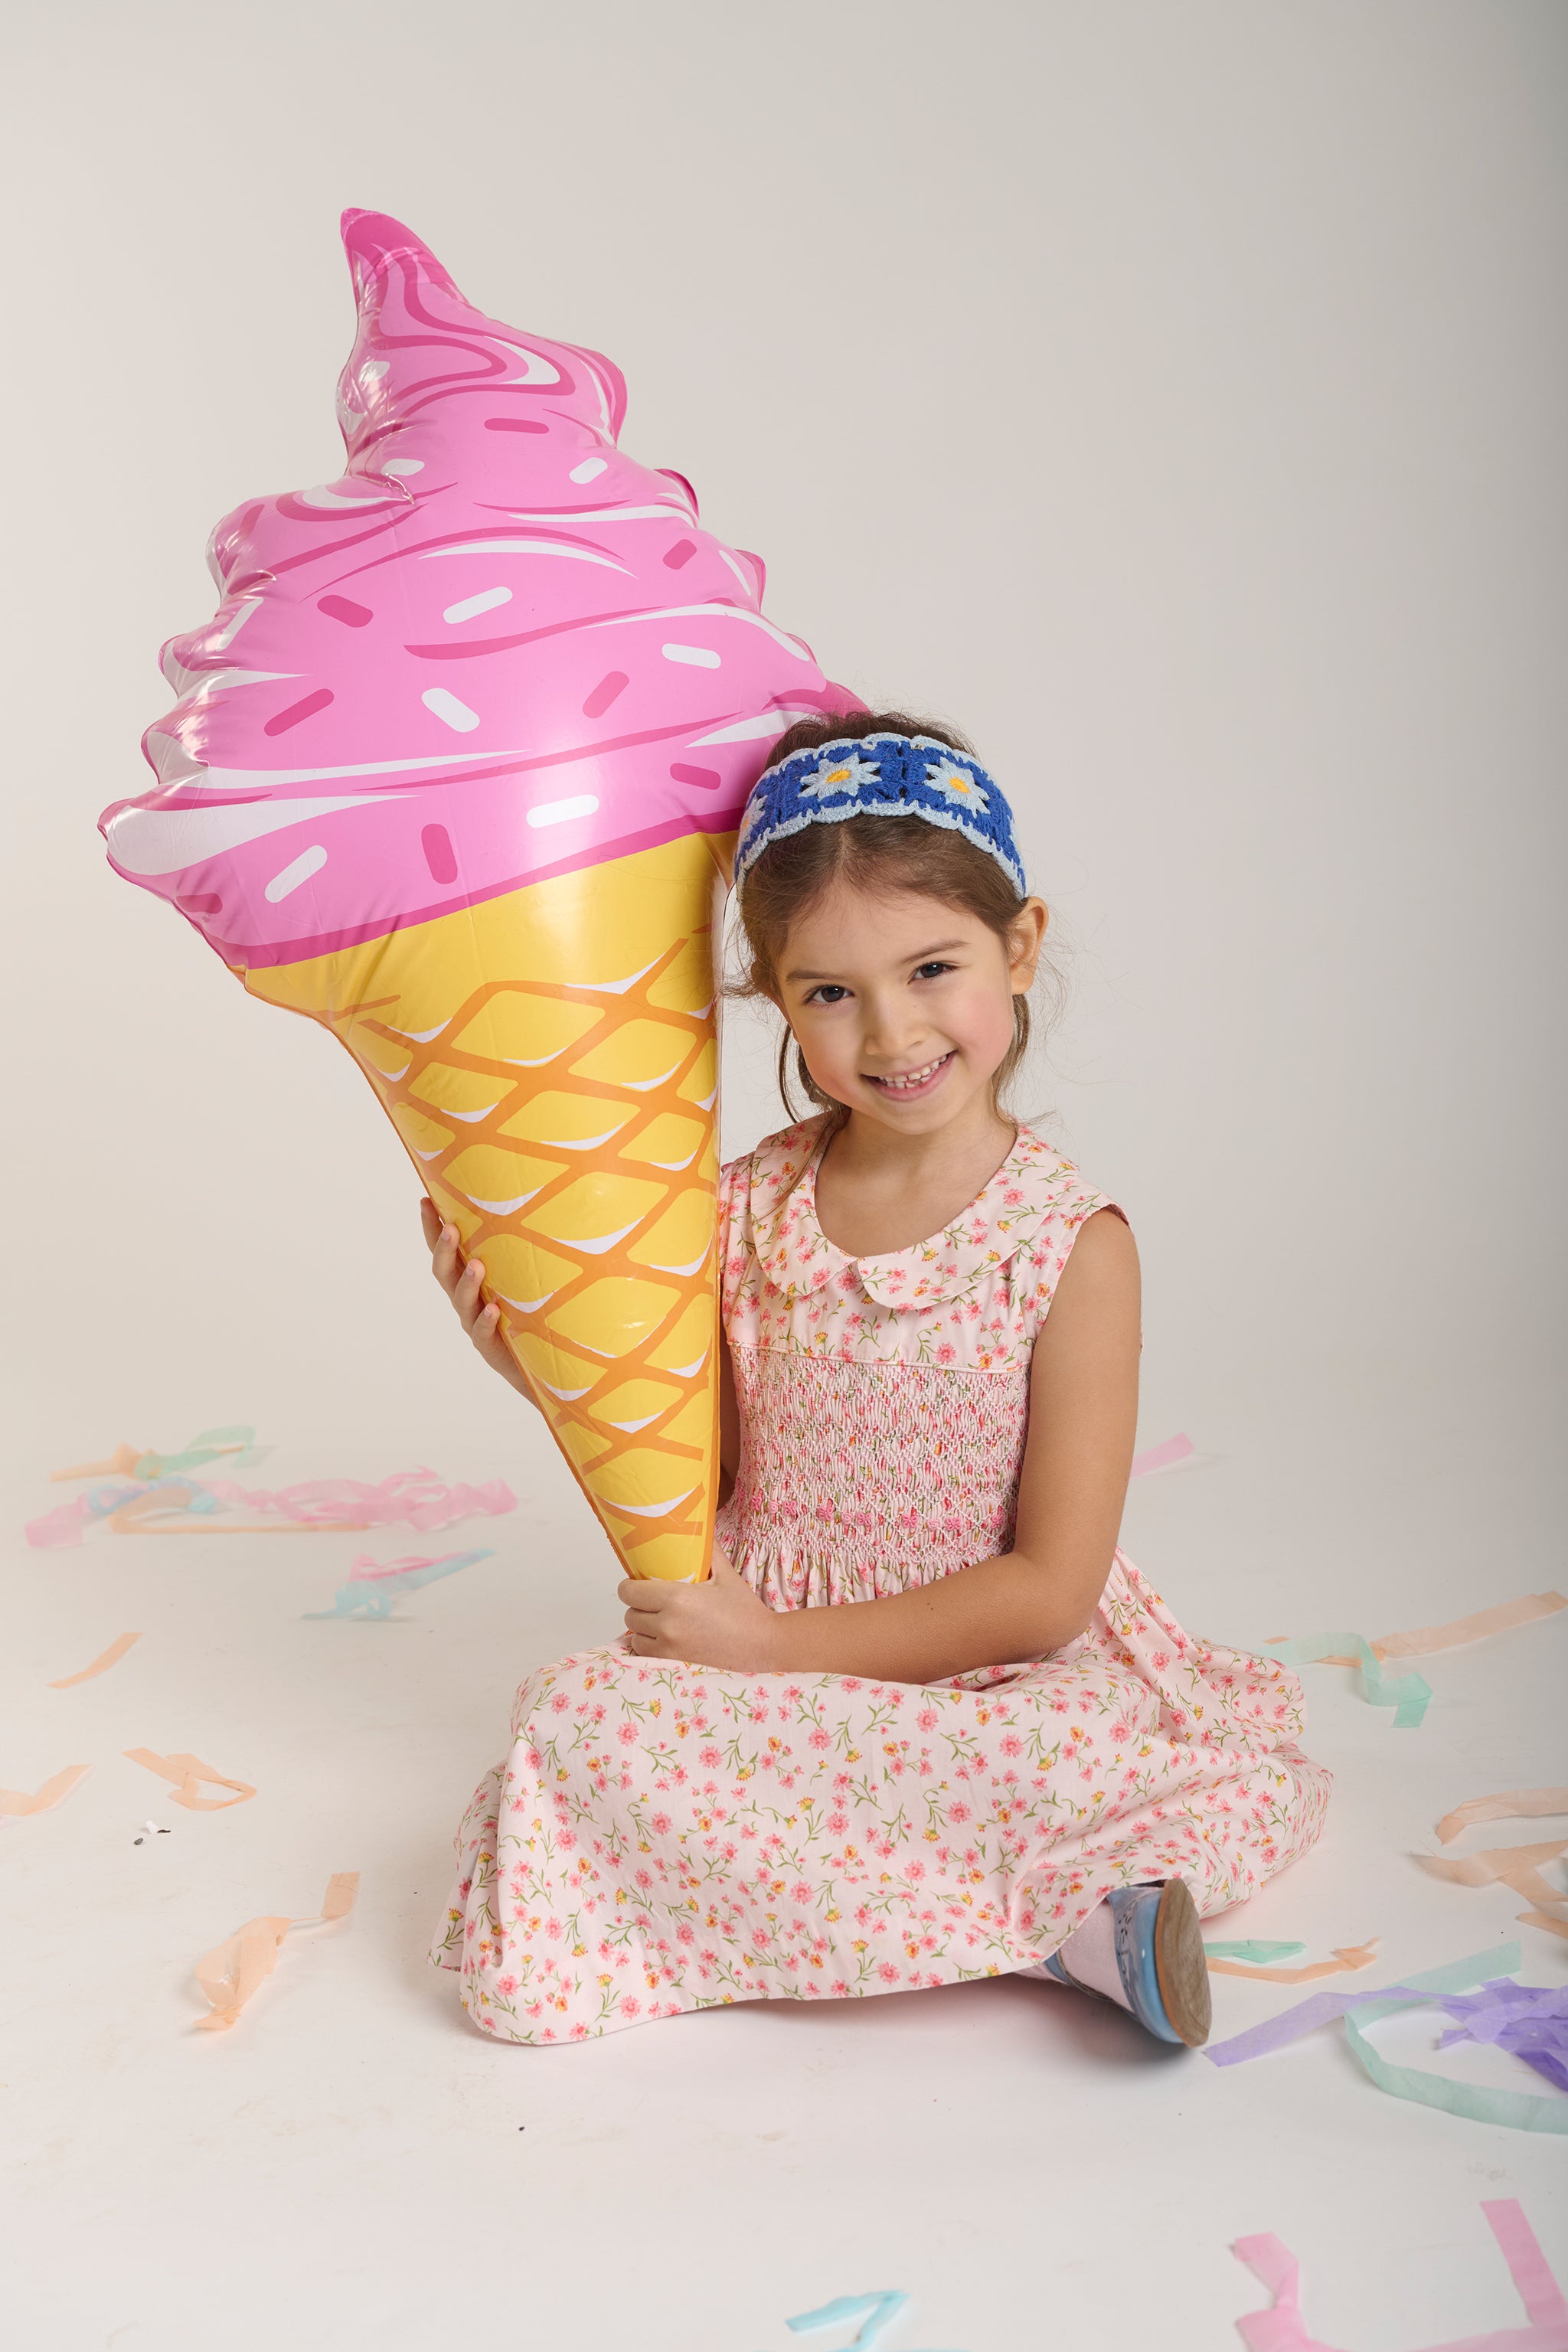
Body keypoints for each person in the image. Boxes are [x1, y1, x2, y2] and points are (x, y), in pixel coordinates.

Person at [426, 711, 1331, 2046]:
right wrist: (547, 1366)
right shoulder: (739, 1211)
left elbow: (1050, 1590)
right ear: (775, 1000)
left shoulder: (1071, 1245)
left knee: (1066, 1761)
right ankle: (1055, 1916)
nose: (891, 1030)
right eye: (830, 992)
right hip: (770, 1658)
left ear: (1019, 948)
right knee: (576, 1723)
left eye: (932, 967)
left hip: (987, 1667)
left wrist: (784, 1651)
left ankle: (1079, 1918)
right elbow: (716, 1468)